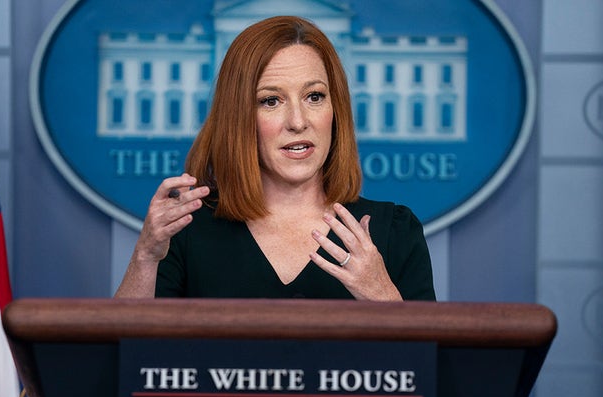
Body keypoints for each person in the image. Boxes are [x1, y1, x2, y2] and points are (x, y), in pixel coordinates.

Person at [115, 16, 435, 301]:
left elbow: (429, 365)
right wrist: (145, 256)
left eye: (314, 96)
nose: (297, 121)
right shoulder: (186, 232)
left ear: (335, 110)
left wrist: (383, 297)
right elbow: (127, 357)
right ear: (239, 117)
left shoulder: (394, 232)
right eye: (271, 101)